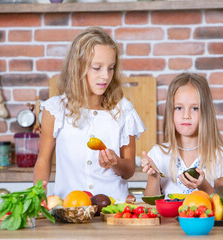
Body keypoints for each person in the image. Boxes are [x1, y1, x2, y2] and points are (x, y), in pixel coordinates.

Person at [33, 26, 145, 201]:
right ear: (75, 67)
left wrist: (116, 163)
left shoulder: (124, 110)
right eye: (97, 68)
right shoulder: (55, 110)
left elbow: (129, 170)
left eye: (110, 68)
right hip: (69, 208)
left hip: (113, 211)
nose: (105, 76)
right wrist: (38, 196)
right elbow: (43, 161)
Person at [141, 73, 223, 196]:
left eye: (194, 108)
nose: (186, 115)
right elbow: (151, 205)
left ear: (206, 113)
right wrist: (154, 177)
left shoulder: (219, 156)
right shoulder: (158, 154)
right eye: (179, 108)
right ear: (171, 111)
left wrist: (203, 186)